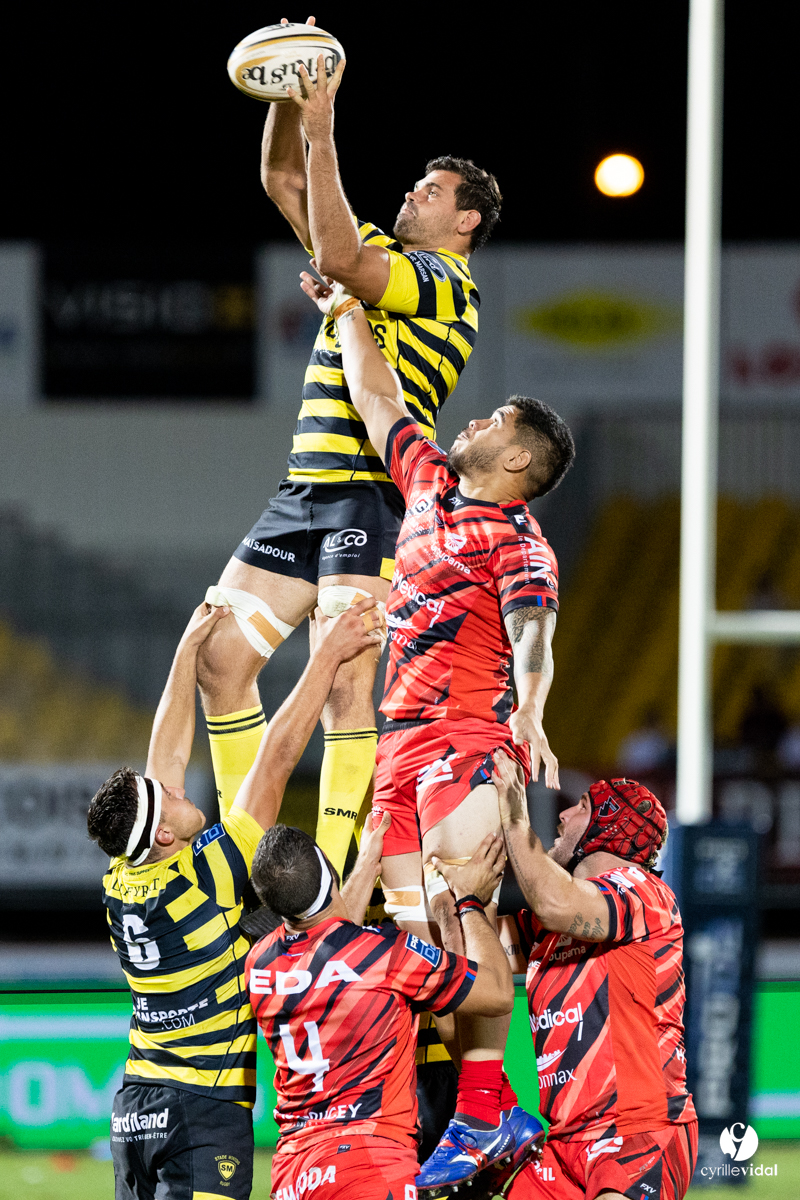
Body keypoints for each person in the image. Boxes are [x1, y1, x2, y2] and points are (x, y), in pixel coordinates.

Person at [198, 19, 502, 882]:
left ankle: (323, 873)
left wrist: (327, 121)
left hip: (371, 496)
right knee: (222, 660)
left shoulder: (445, 285)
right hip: (303, 490)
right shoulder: (376, 257)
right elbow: (281, 175)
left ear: (465, 220)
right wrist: (286, 100)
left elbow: (336, 250)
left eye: (430, 192)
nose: (413, 195)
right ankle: (245, 855)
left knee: (342, 684)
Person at [298, 272, 574, 1184]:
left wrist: (529, 715)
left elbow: (534, 633)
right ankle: (460, 1115)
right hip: (398, 741)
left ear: (519, 463)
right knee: (421, 945)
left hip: (464, 742)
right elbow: (379, 402)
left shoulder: (519, 541)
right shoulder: (425, 484)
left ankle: (490, 1109)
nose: (472, 421)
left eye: (492, 419)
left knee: (466, 916)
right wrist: (344, 315)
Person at [87, 596, 382, 1200]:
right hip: (201, 1108)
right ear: (164, 835)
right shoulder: (207, 873)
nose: (176, 785)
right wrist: (327, 651)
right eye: (166, 796)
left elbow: (160, 763)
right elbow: (275, 757)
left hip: (136, 1107)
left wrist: (185, 653)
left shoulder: (123, 877)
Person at [245, 815, 518, 1200]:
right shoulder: (388, 955)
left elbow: (328, 933)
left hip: (295, 1174)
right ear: (328, 869)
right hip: (370, 1165)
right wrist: (470, 902)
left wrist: (368, 861)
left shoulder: (260, 963)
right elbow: (498, 992)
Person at [482, 751, 698, 1200]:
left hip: (638, 1131)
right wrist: (462, 896)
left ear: (609, 826)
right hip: (561, 1144)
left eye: (581, 806)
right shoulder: (546, 927)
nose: (562, 815)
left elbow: (556, 902)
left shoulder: (645, 893)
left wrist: (514, 813)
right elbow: (478, 961)